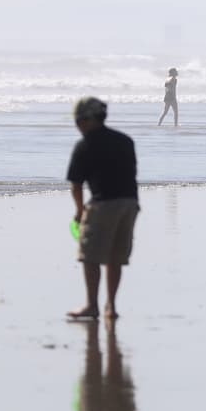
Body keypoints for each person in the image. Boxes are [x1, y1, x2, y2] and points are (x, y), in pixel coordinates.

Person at [66, 97, 140, 321]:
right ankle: (111, 307)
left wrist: (79, 212)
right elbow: (131, 174)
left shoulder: (85, 145)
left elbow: (76, 185)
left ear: (88, 120)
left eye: (79, 121)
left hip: (103, 205)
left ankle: (92, 305)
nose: (78, 126)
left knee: (90, 256)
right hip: (129, 204)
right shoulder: (125, 141)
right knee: (115, 257)